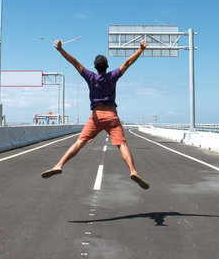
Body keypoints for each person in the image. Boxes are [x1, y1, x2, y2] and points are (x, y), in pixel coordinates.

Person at [41, 39, 150, 190]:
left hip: (96, 117)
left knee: (80, 142)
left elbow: (74, 62)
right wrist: (140, 50)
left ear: (94, 67)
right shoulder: (112, 76)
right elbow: (127, 63)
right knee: (122, 144)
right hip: (112, 117)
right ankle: (133, 171)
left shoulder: (90, 77)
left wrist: (60, 50)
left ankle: (59, 165)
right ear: (107, 67)